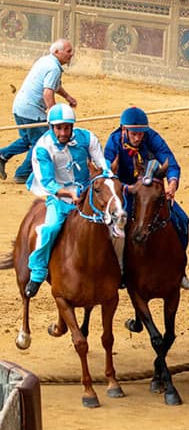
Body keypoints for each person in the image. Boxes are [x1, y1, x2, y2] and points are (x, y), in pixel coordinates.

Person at [23, 103, 113, 298]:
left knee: (115, 221)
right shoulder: (42, 148)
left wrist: (107, 176)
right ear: (51, 127)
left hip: (87, 192)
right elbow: (48, 183)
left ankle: (120, 268)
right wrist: (70, 195)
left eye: (67, 128)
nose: (63, 133)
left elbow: (101, 162)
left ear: (72, 126)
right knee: (51, 228)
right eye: (59, 128)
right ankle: (37, 272)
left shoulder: (87, 138)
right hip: (59, 197)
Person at [103, 106, 189, 290]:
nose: (138, 138)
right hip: (125, 191)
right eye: (134, 134)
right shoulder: (113, 142)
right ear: (124, 130)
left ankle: (180, 270)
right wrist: (127, 188)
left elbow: (171, 163)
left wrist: (172, 184)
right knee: (115, 227)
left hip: (151, 191)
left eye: (141, 134)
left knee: (182, 220)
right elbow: (107, 173)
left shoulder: (151, 137)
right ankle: (119, 270)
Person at [0, 39, 77, 184]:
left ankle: (2, 155)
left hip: (20, 107)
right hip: (31, 110)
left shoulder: (46, 60)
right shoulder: (54, 68)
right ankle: (23, 173)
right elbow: (48, 93)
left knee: (28, 139)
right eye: (68, 51)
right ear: (57, 52)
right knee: (41, 142)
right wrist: (54, 118)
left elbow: (54, 85)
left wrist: (67, 97)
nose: (71, 54)